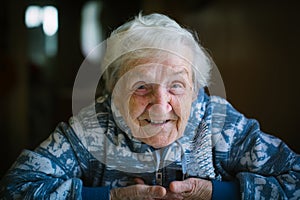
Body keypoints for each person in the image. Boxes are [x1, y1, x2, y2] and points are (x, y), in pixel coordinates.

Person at [0, 12, 299, 200]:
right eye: (141, 86)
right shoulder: (92, 127)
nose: (160, 105)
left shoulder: (221, 123)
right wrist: (112, 197)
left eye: (176, 86)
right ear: (114, 92)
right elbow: (17, 188)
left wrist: (218, 193)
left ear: (195, 91)